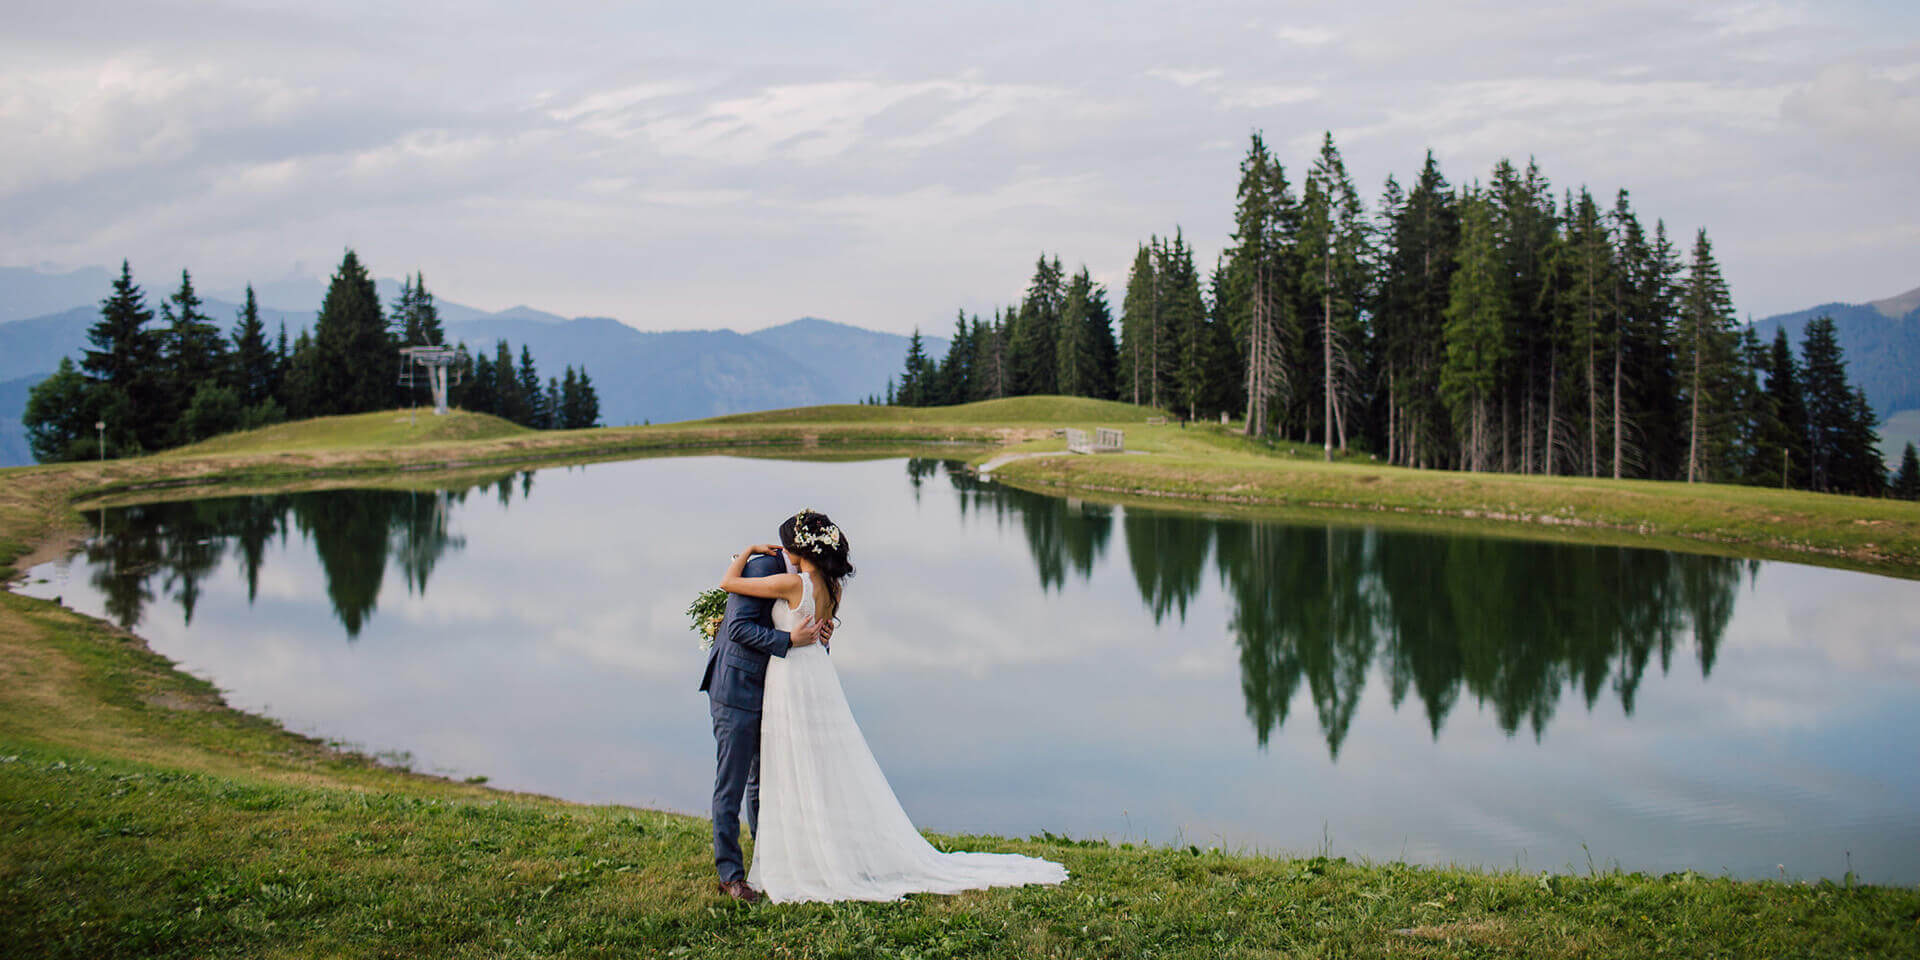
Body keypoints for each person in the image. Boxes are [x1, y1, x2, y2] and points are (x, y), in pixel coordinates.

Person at [714, 509, 1067, 903]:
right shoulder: (831, 587)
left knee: (782, 771)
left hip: (791, 676)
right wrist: (816, 634)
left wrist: (743, 551)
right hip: (807, 678)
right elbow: (810, 628)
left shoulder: (791, 581)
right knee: (793, 770)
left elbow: (729, 583)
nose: (781, 547)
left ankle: (787, 858)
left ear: (800, 549)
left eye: (788, 543)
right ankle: (776, 859)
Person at [699, 531, 829, 903]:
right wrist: (788, 640)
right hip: (736, 687)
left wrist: (817, 633)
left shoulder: (803, 578)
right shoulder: (761, 567)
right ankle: (730, 876)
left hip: (772, 691)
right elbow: (737, 628)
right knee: (732, 784)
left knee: (763, 780)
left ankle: (766, 863)